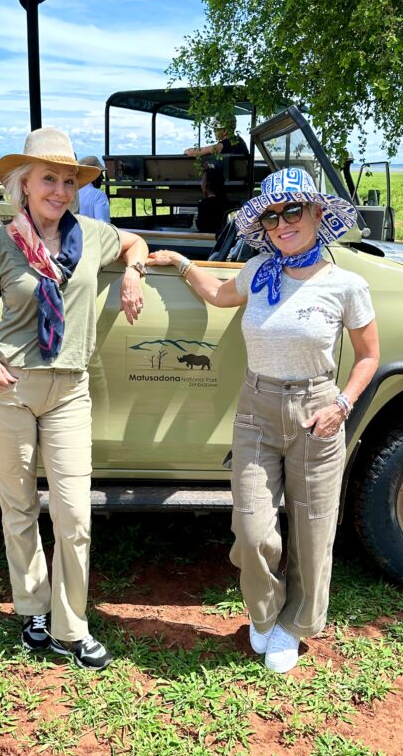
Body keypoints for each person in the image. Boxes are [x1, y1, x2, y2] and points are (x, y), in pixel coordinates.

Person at [147, 168, 379, 674]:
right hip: (255, 408)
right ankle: (265, 611)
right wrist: (182, 263)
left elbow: (367, 357)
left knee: (314, 532)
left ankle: (294, 626)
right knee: (252, 531)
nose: (282, 223)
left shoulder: (346, 285)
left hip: (317, 410)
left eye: (293, 210)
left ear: (319, 214)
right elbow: (217, 295)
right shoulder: (258, 272)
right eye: (272, 216)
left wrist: (341, 405)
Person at [0, 127, 149, 671]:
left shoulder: (91, 235)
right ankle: (33, 610)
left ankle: (73, 626)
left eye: (69, 181)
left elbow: (133, 243)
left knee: (74, 515)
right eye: (50, 179)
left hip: (70, 389)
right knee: (19, 507)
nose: (61, 191)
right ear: (24, 185)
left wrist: (133, 273)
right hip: (8, 387)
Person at [195, 162, 230, 234]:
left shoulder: (204, 204)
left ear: (206, 184)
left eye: (202, 180)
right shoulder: (225, 202)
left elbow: (202, 226)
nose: (201, 183)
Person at [184, 122, 249, 158]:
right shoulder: (239, 140)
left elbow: (195, 152)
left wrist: (187, 151)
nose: (214, 132)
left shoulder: (223, 145)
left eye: (216, 130)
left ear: (225, 131)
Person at [77, 154, 111, 222]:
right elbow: (104, 226)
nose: (103, 178)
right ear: (92, 175)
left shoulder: (70, 192)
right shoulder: (98, 195)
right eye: (100, 174)